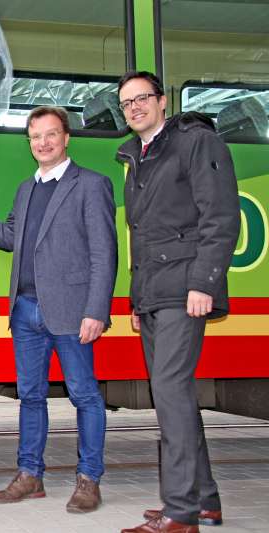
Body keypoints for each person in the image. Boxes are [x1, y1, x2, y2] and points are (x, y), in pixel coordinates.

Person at [0, 105, 117, 514]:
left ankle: (89, 480)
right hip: (26, 310)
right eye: (35, 137)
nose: (43, 142)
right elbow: (8, 238)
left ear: (66, 138)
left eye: (51, 134)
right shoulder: (26, 189)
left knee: (86, 396)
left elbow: (105, 254)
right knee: (31, 397)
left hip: (72, 311)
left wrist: (96, 310)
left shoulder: (91, 185)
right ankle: (29, 475)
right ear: (30, 143)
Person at [117, 72, 240, 533]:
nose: (134, 108)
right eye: (126, 103)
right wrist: (136, 299)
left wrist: (204, 282)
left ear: (162, 102)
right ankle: (203, 501)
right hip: (155, 292)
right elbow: (143, 236)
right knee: (176, 398)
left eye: (142, 98)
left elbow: (220, 216)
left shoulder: (195, 143)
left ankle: (180, 513)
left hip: (186, 288)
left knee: (169, 395)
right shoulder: (138, 157)